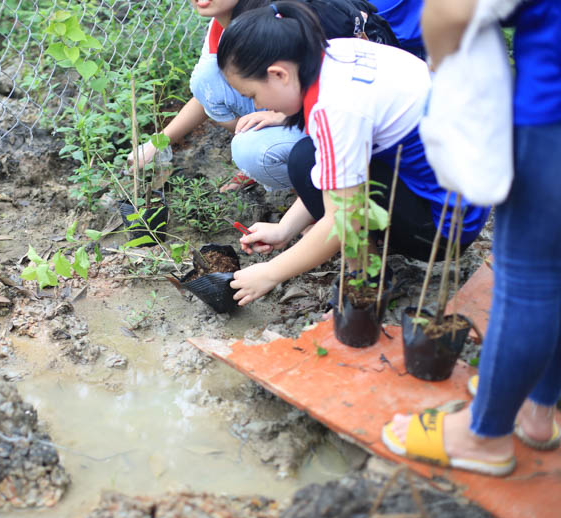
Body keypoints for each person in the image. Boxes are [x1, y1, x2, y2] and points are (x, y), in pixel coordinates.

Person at [382, 0, 561, 476]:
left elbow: (453, 9)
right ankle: (538, 407)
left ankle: (484, 435)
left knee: (532, 283)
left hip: (553, 112)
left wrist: (443, 67)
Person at [215, 1, 488, 306]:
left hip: (445, 227)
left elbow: (342, 219)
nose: (260, 106)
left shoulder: (335, 109)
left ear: (279, 74)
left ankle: (369, 284)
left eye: (254, 95)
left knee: (307, 160)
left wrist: (270, 273)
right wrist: (285, 229)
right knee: (308, 157)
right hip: (465, 192)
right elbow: (343, 169)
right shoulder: (335, 54)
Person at [128, 0, 401, 193]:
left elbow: (345, 90)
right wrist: (156, 143)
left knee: (253, 150)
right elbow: (205, 94)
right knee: (207, 77)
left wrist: (282, 115)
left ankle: (321, 192)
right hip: (308, 106)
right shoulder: (222, 25)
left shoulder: (280, 20)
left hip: (353, 116)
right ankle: (302, 173)